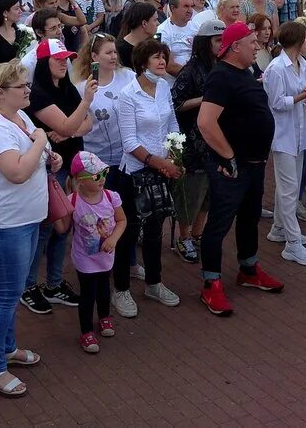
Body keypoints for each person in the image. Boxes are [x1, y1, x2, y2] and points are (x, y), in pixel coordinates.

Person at [0, 60, 55, 397]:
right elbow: (17, 172)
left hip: (27, 217)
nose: (27, 90)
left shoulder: (19, 116)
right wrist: (41, 141)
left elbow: (35, 156)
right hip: (5, 223)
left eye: (26, 84)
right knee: (6, 295)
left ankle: (6, 348)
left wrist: (49, 154)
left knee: (13, 291)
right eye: (20, 86)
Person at [197, 22, 284, 316]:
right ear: (235, 47)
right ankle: (211, 283)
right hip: (233, 166)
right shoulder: (221, 76)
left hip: (254, 163)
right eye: (251, 42)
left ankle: (248, 268)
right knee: (220, 223)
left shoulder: (244, 71)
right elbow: (206, 123)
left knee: (250, 217)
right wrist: (228, 157)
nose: (257, 45)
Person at [21, 39, 94, 315]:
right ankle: (29, 285)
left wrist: (70, 130)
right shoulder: (38, 93)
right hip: (50, 168)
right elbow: (70, 121)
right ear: (43, 62)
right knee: (46, 227)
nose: (65, 63)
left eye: (66, 58)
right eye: (59, 59)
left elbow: (85, 124)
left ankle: (52, 283)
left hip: (69, 163)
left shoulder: (66, 88)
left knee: (64, 225)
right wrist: (83, 106)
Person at [116, 38, 182, 309]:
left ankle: (154, 283)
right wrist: (160, 162)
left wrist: (176, 155)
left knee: (155, 230)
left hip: (161, 169)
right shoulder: (128, 95)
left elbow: (172, 123)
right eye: (156, 57)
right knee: (129, 231)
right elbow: (129, 142)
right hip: (134, 173)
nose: (162, 61)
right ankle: (120, 290)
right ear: (143, 63)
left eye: (164, 57)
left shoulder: (164, 86)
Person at [264, 20, 306, 266]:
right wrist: (304, 95)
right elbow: (276, 102)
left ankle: (278, 228)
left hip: (299, 133)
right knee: (289, 190)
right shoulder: (276, 68)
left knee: (290, 185)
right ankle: (292, 244)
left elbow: (302, 96)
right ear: (298, 42)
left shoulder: (302, 64)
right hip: (283, 136)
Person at [169, 21, 223, 265]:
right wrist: (205, 99)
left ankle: (198, 234)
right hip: (193, 141)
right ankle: (183, 236)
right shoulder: (190, 70)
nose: (222, 44)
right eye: (217, 40)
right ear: (205, 43)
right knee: (191, 193)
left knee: (210, 193)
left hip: (216, 138)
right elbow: (176, 105)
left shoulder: (221, 67)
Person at [67, 151, 124, 354]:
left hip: (106, 256)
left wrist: (113, 238)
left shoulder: (110, 197)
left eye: (104, 172)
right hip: (84, 258)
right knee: (88, 293)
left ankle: (104, 317)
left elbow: (121, 221)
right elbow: (62, 227)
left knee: (104, 288)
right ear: (80, 181)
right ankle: (86, 330)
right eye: (96, 176)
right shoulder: (72, 201)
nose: (102, 179)